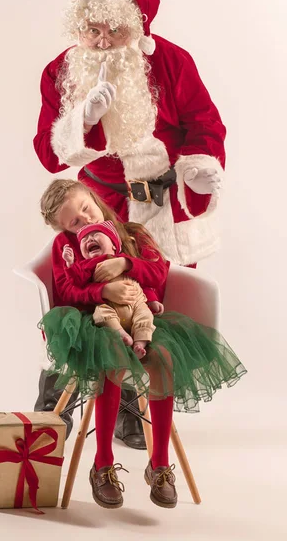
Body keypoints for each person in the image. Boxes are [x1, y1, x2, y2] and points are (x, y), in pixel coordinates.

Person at [33, 0, 226, 448]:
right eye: (90, 30)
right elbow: (47, 151)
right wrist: (85, 119)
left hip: (162, 205)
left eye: (112, 29)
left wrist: (200, 167)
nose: (100, 41)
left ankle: (128, 410)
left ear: (136, 24)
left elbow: (205, 121)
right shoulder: (61, 70)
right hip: (98, 205)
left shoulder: (171, 61)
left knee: (152, 306)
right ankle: (55, 397)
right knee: (86, 295)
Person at [38, 179, 246, 510]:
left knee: (162, 357)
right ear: (64, 229)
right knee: (114, 358)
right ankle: (102, 464)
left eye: (85, 209)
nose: (85, 221)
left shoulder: (133, 233)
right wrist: (102, 292)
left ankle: (159, 465)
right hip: (94, 323)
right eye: (74, 222)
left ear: (93, 197)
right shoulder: (65, 246)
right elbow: (64, 291)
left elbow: (160, 274)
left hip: (140, 318)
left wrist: (125, 264)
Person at [63, 220, 163, 358]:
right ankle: (120, 333)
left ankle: (140, 342)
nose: (89, 239)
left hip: (136, 303)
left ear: (114, 245)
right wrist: (70, 264)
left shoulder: (125, 259)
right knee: (101, 313)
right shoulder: (87, 266)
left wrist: (151, 300)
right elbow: (77, 282)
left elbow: (142, 282)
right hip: (109, 305)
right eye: (84, 239)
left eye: (96, 234)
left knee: (145, 316)